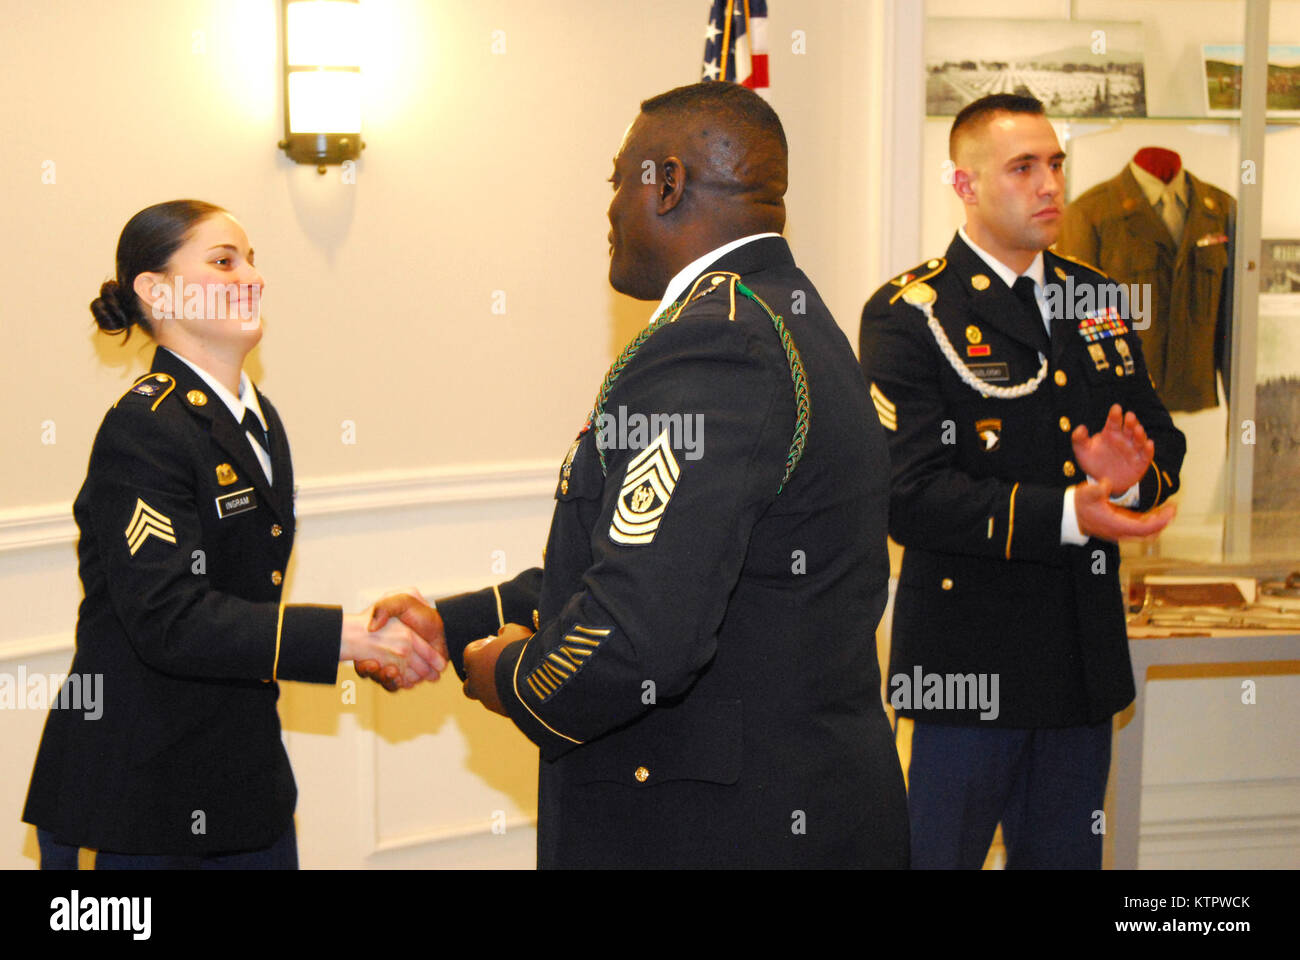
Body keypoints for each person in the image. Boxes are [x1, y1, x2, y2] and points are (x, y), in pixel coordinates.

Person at [360, 82, 910, 868]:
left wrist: (508, 674)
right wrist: (455, 624)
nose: (610, 208)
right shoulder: (784, 313)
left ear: (668, 183)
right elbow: (652, 563)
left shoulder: (715, 346)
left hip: (719, 828)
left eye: (617, 179)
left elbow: (634, 637)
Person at [23, 200, 443, 869]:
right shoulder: (144, 427)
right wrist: (350, 636)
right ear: (156, 291)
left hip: (244, 788)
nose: (252, 276)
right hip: (143, 794)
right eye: (223, 261)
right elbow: (171, 619)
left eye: (251, 259)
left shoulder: (260, 419)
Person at [859, 94, 1186, 868]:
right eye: (1023, 167)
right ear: (965, 186)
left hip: (1079, 662)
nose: (1050, 185)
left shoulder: (1096, 298)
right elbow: (909, 496)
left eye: (1056, 165)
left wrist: (1130, 482)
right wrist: (1073, 511)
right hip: (968, 673)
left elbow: (1159, 437)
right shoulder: (912, 312)